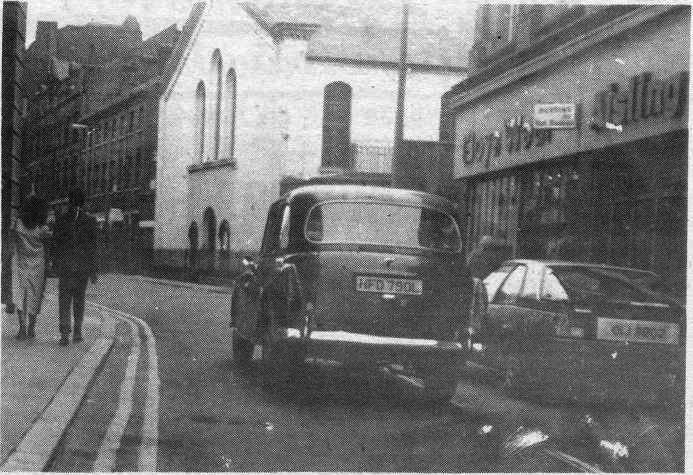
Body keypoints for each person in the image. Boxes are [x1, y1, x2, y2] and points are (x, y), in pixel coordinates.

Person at [53, 188, 98, 346]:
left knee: (64, 300)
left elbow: (55, 245)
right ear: (83, 202)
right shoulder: (91, 221)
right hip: (82, 269)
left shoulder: (61, 220)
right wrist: (93, 271)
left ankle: (65, 333)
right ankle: (77, 332)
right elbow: (93, 248)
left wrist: (55, 265)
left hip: (65, 268)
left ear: (69, 201)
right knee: (79, 300)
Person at [11, 196, 52, 340]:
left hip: (21, 262)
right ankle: (31, 328)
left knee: (20, 295)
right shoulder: (42, 228)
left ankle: (22, 328)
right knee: (35, 296)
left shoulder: (19, 224)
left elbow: (14, 239)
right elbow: (49, 243)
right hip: (38, 264)